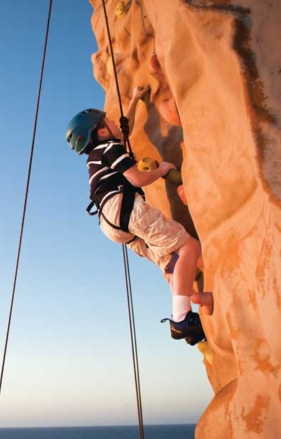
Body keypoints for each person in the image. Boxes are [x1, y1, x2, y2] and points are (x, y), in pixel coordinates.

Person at [65, 86, 209, 345]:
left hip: (111, 224)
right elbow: (137, 177)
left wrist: (132, 100)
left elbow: (121, 128)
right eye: (106, 120)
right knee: (189, 247)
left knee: (173, 263)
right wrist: (162, 169)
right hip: (124, 208)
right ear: (100, 131)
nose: (112, 121)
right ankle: (181, 320)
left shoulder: (98, 154)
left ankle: (191, 305)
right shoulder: (110, 148)